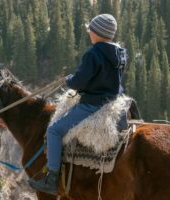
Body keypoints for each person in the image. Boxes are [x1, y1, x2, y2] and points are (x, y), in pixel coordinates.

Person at [28, 14, 127, 195]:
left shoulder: (93, 53)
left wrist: (69, 80)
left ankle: (51, 179)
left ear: (98, 33)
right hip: (113, 102)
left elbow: (79, 83)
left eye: (92, 29)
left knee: (54, 130)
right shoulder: (120, 53)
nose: (89, 31)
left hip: (92, 104)